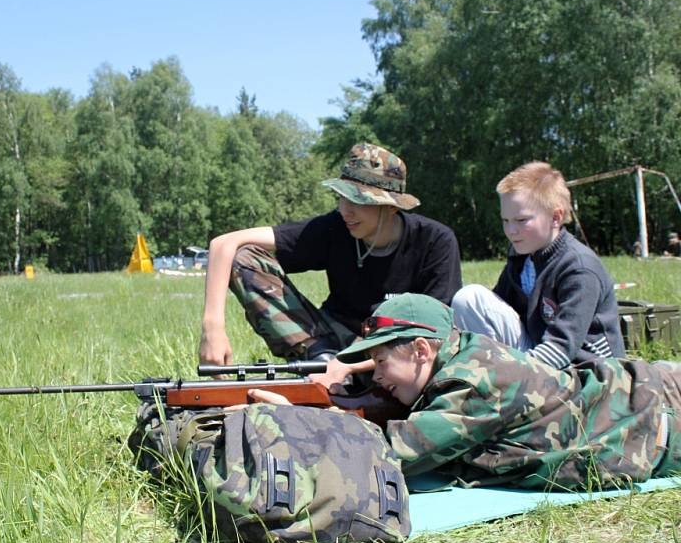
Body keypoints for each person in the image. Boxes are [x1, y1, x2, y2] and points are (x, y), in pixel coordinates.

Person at [250, 293, 680, 490]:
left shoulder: (474, 383)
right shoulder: (458, 352)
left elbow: (391, 453)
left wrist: (300, 417)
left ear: (421, 349)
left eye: (381, 362)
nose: (376, 374)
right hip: (641, 391)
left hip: (658, 422)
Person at [198, 143, 462, 377]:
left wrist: (348, 367)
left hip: (398, 354)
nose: (345, 210)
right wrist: (213, 329)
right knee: (245, 257)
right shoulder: (335, 228)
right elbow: (225, 245)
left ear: (392, 206)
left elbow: (436, 335)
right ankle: (319, 362)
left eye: (359, 200)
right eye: (342, 197)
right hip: (329, 342)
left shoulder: (435, 242)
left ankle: (340, 375)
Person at [451, 162, 624, 369]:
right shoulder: (522, 256)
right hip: (538, 355)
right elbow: (500, 311)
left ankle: (500, 382)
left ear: (556, 217)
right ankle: (486, 375)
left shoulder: (579, 268)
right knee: (469, 299)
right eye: (505, 220)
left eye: (521, 220)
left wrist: (510, 374)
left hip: (587, 372)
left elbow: (562, 346)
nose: (510, 230)